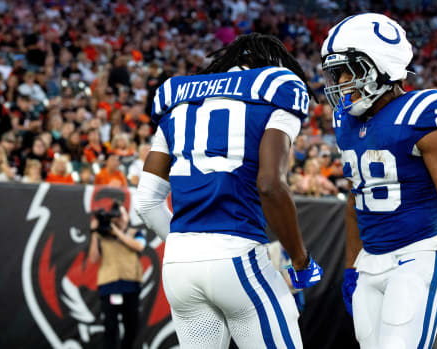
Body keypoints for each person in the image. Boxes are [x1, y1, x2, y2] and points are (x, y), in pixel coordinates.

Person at [134, 33, 323, 348]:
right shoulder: (274, 92)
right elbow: (271, 185)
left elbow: (145, 202)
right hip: (238, 256)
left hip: (179, 266)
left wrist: (190, 247)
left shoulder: (177, 102)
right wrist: (301, 261)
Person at [320, 13, 437, 348]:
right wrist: (351, 266)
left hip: (419, 255)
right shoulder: (348, 124)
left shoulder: (421, 112)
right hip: (370, 260)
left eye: (346, 71)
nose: (339, 81)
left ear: (378, 67)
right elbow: (356, 201)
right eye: (334, 72)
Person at [88, 202, 145, 349]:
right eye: (115, 216)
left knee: (132, 327)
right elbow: (93, 258)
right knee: (110, 327)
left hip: (131, 286)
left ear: (127, 216)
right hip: (110, 287)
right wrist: (95, 233)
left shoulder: (135, 233)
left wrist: (117, 233)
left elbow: (139, 246)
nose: (118, 219)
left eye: (121, 215)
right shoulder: (102, 235)